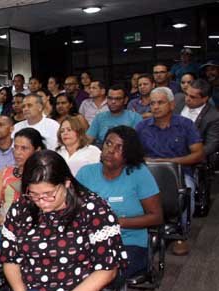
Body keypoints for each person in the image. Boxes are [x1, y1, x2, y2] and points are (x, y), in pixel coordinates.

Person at [1, 150, 125, 291]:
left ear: (66, 183)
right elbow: (10, 258)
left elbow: (107, 269)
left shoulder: (94, 209)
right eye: (34, 194)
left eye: (49, 194)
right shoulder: (22, 208)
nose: (42, 202)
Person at [78, 126, 162, 278]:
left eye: (119, 147)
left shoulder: (139, 173)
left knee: (103, 273)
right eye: (108, 144)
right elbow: (73, 208)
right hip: (89, 239)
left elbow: (156, 216)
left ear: (129, 152)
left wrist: (117, 222)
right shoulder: (86, 173)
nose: (111, 150)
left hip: (128, 242)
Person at [136, 87, 204, 256]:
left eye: (160, 102)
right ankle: (142, 232)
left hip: (179, 173)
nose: (156, 107)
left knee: (187, 189)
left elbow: (198, 154)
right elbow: (133, 154)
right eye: (152, 103)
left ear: (172, 105)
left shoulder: (185, 125)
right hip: (148, 173)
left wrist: (167, 162)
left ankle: (181, 235)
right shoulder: (142, 126)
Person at [0, 128, 45, 223]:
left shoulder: (44, 175)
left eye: (24, 148)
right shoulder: (5, 173)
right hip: (5, 224)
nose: (18, 152)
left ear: (37, 150)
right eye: (15, 147)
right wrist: (4, 222)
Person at [174, 79, 219, 156]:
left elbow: (211, 145)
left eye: (192, 97)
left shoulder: (214, 117)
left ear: (205, 99)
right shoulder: (177, 99)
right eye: (186, 94)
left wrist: (190, 156)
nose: (187, 99)